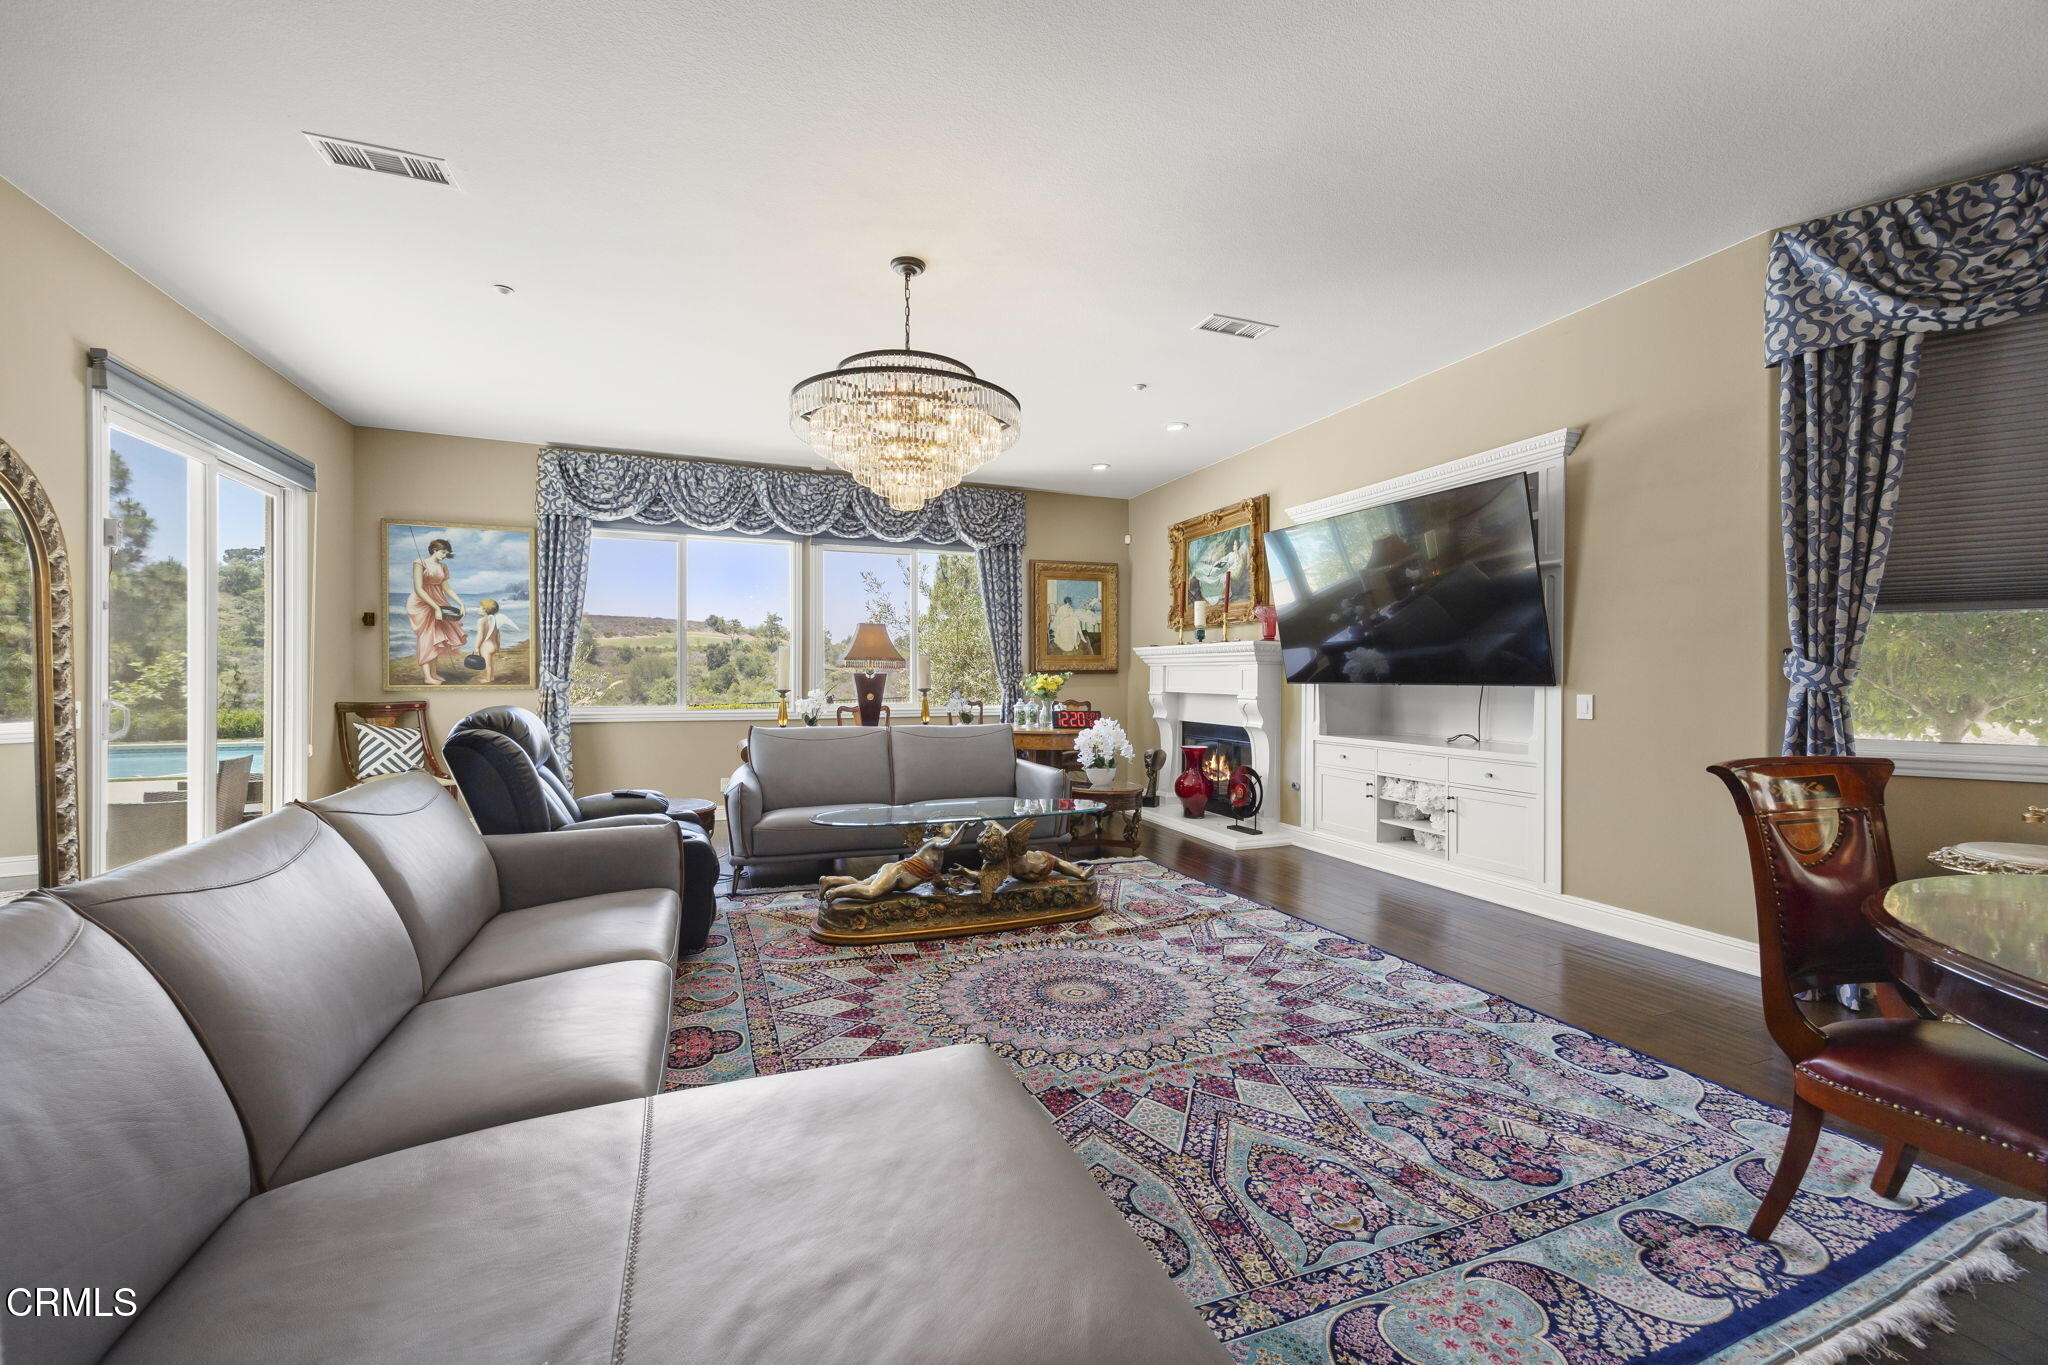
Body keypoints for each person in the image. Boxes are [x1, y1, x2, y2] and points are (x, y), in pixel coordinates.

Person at [407, 537, 466, 685]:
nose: (445, 555)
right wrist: (435, 607)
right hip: (423, 602)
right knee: (427, 637)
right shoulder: (420, 562)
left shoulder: (443, 567)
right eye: (443, 552)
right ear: (434, 550)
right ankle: (427, 677)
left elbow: (447, 588)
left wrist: (461, 604)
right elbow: (418, 588)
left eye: (447, 553)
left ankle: (433, 673)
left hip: (438, 601)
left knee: (437, 637)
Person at [474, 598, 503, 684]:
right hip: (494, 644)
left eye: (480, 607)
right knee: (491, 662)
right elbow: (498, 635)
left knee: (488, 664)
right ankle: (492, 677)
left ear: (485, 610)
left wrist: (476, 647)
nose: (478, 609)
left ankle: (488, 679)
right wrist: (498, 645)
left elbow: (480, 635)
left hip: (486, 646)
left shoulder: (481, 621)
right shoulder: (495, 621)